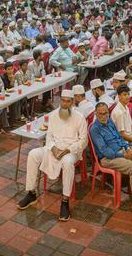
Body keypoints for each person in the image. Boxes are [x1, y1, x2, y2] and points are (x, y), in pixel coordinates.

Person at [16, 90, 88, 222]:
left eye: (68, 101)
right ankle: (31, 193)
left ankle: (65, 201)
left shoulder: (79, 117)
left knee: (67, 162)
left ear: (72, 102)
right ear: (60, 100)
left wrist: (66, 150)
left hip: (71, 151)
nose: (65, 104)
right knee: (33, 154)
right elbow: (49, 136)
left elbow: (83, 141)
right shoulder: (54, 115)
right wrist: (54, 148)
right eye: (63, 100)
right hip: (53, 149)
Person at [89, 102, 132, 219]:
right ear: (95, 113)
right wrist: (123, 155)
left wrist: (127, 148)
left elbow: (119, 138)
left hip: (122, 151)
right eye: (100, 114)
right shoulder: (95, 129)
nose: (103, 116)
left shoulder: (109, 121)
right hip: (108, 158)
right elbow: (105, 151)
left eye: (105, 113)